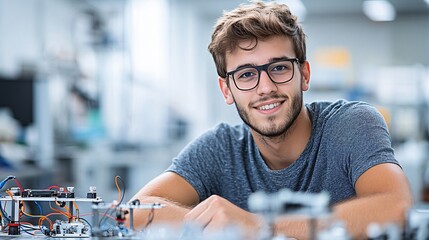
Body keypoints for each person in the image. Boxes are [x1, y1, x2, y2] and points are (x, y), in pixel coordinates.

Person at [128, 1, 412, 239]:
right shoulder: (220, 148)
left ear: (304, 75)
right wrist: (212, 223)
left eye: (278, 68)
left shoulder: (351, 124)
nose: (265, 87)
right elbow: (135, 211)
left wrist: (257, 228)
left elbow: (395, 206)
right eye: (246, 74)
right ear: (227, 90)